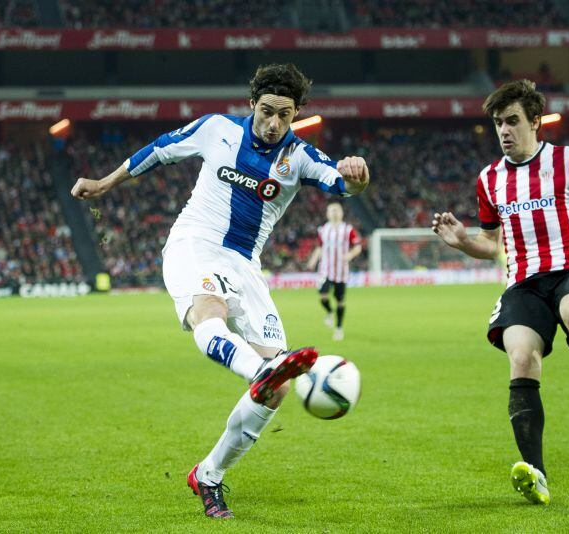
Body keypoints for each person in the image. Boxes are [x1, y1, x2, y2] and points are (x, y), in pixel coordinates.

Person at [71, 63, 370, 519]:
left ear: (295, 115)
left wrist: (356, 176)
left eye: (284, 116)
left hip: (245, 266)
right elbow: (160, 150)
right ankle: (260, 369)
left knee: (280, 392)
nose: (274, 124)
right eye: (267, 111)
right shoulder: (216, 129)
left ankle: (208, 475)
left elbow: (340, 183)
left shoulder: (300, 156)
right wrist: (103, 184)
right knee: (208, 313)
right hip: (195, 243)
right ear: (252, 103)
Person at [432, 80, 569, 505]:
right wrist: (463, 241)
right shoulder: (489, 179)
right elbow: (491, 244)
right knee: (522, 356)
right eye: (497, 123)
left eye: (512, 121)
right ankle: (536, 474)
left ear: (535, 123)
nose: (503, 130)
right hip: (523, 282)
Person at [306, 202, 362, 340]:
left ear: (342, 213)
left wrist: (349, 255)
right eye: (332, 210)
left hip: (341, 272)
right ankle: (330, 312)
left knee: (340, 302)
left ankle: (338, 328)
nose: (334, 212)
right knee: (322, 295)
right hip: (325, 270)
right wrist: (312, 261)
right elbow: (319, 247)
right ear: (327, 213)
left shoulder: (348, 230)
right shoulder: (323, 230)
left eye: (337, 210)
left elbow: (357, 247)